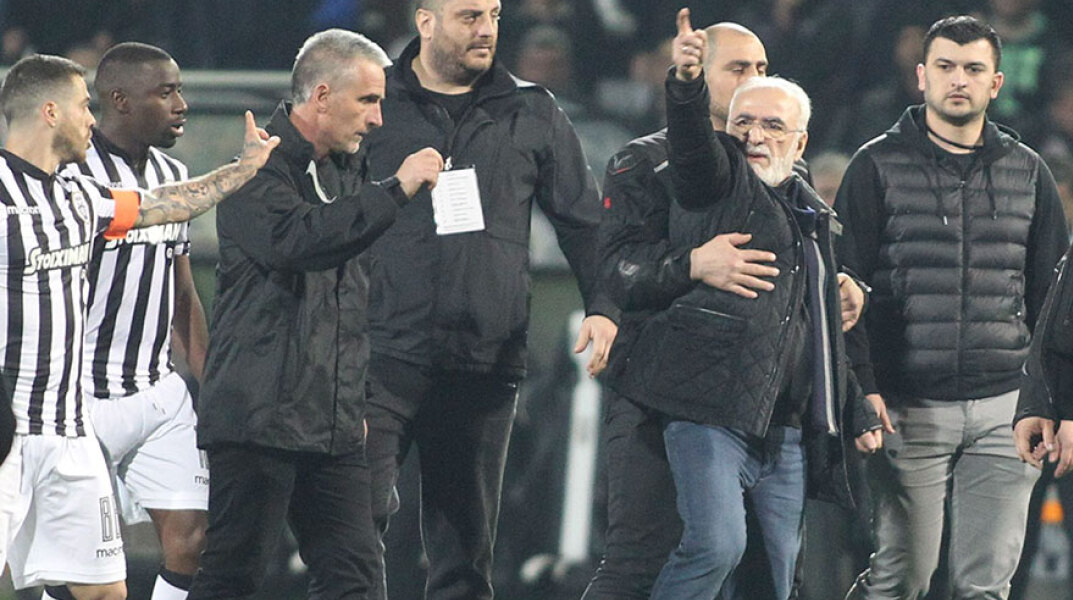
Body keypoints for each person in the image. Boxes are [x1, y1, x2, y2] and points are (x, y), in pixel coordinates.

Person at [602, 10, 879, 600]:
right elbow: (618, 271)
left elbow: (806, 315)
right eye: (737, 70)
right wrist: (692, 264)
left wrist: (843, 293)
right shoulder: (665, 163)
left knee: (771, 576)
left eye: (761, 68)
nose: (753, 82)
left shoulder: (796, 188)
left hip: (775, 412)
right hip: (670, 395)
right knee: (649, 558)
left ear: (798, 137)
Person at [359, 0, 619, 598]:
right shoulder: (375, 101)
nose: (487, 30)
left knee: (464, 550)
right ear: (426, 22)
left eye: (495, 15)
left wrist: (604, 305)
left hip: (483, 360)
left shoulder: (532, 109)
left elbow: (584, 223)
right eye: (470, 16)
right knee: (356, 526)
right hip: (378, 354)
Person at [0, 53, 277, 600]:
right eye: (83, 106)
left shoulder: (79, 198)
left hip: (69, 433)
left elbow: (165, 205)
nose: (91, 117)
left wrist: (242, 170)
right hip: (10, 432)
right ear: (50, 112)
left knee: (106, 591)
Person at [186, 29, 442, 599]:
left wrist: (352, 398)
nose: (377, 119)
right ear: (322, 96)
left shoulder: (348, 170)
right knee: (233, 576)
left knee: (356, 578)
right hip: (258, 417)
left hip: (334, 428)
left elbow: (349, 298)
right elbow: (300, 241)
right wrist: (395, 191)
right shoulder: (256, 170)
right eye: (367, 100)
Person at [837, 15, 1069, 600]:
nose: (958, 79)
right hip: (906, 405)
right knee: (900, 579)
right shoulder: (873, 166)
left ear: (996, 83)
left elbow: (1055, 303)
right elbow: (843, 289)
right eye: (945, 66)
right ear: (921, 76)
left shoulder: (1030, 172)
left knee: (985, 587)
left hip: (1007, 409)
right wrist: (863, 386)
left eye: (972, 68)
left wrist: (1055, 401)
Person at [55, 42, 208, 600]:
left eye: (179, 90)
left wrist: (209, 382)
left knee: (193, 543)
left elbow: (182, 291)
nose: (181, 105)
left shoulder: (173, 172)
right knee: (84, 567)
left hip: (156, 391)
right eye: (165, 93)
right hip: (80, 397)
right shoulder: (70, 177)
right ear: (119, 100)